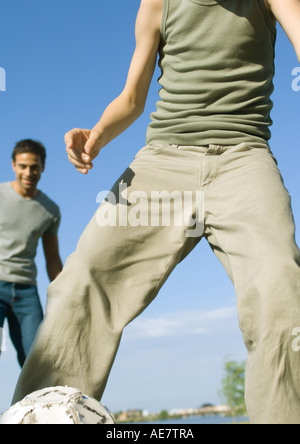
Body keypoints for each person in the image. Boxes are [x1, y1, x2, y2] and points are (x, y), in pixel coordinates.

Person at [12, 0, 300, 424]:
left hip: (244, 158)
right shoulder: (158, 4)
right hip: (163, 160)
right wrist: (96, 135)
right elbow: (132, 98)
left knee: (281, 287)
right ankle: (38, 416)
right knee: (83, 278)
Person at [0, 139, 63, 367]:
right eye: (23, 166)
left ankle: (34, 403)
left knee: (36, 359)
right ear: (13, 165)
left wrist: (64, 294)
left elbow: (53, 259)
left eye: (34, 166)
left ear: (42, 167)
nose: (29, 172)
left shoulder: (50, 210)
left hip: (26, 292)